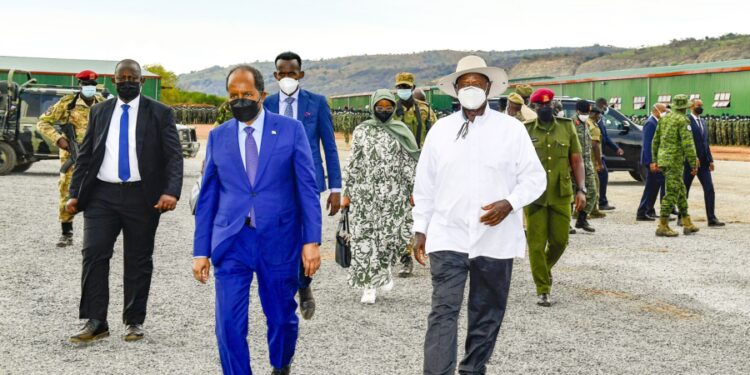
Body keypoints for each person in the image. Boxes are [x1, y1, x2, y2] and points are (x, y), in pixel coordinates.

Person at [413, 56, 546, 374]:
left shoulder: (511, 131)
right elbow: (424, 185)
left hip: (494, 239)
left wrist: (510, 203)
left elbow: (534, 178)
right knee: (443, 311)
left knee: (487, 312)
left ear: (489, 87)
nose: (471, 88)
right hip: (448, 235)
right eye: (465, 83)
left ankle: (473, 368)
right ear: (456, 90)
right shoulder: (440, 131)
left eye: (477, 82)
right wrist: (421, 228)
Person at [193, 65, 321, 375]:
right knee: (228, 323)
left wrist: (312, 241)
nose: (240, 101)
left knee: (280, 317)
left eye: (246, 95)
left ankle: (281, 365)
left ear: (261, 95)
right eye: (233, 96)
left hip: (278, 239)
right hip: (232, 240)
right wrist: (200, 251)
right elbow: (208, 195)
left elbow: (307, 188)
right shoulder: (219, 137)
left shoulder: (290, 131)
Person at [65, 59, 183, 343]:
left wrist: (171, 191)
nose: (127, 82)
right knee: (93, 254)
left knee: (138, 259)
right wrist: (74, 193)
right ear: (114, 82)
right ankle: (95, 321)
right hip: (101, 196)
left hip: (143, 197)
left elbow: (173, 156)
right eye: (122, 78)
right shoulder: (100, 111)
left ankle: (133, 321)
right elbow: (86, 156)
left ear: (141, 82)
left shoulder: (160, 113)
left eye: (133, 77)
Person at [262, 51, 342, 320]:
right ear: (275, 76)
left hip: (309, 183)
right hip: (274, 185)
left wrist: (336, 188)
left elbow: (329, 147)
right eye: (282, 73)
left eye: (292, 73)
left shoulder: (316, 103)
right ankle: (287, 289)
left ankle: (304, 287)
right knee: (281, 238)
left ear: (301, 75)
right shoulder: (267, 104)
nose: (287, 77)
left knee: (306, 236)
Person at [341, 89, 418, 304]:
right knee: (364, 239)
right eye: (379, 107)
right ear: (373, 107)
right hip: (365, 194)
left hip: (393, 194)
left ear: (393, 108)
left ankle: (383, 272)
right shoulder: (361, 131)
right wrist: (346, 193)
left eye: (388, 107)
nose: (383, 111)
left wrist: (413, 190)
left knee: (390, 238)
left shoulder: (400, 130)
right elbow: (353, 162)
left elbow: (408, 162)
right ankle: (368, 286)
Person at [525, 88, 586, 307]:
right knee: (536, 244)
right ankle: (543, 288)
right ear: (534, 108)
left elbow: (577, 161)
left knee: (560, 241)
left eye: (547, 105)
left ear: (553, 105)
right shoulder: (526, 131)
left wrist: (581, 189)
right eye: (540, 106)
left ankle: (545, 268)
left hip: (561, 193)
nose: (544, 108)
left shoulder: (567, 127)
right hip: (534, 196)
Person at [37, 70, 105, 248]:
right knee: (67, 191)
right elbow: (43, 122)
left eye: (92, 85)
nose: (89, 88)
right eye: (86, 85)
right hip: (72, 155)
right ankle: (66, 233)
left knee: (99, 193)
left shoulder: (103, 104)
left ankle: (97, 234)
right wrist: (59, 139)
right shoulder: (68, 103)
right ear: (80, 86)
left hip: (98, 155)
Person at [391, 72, 437, 277]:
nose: (403, 90)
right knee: (401, 213)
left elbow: (437, 135)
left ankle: (430, 249)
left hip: (422, 165)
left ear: (412, 87)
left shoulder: (425, 110)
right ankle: (405, 258)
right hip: (398, 166)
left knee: (426, 208)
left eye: (406, 86)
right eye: (400, 86)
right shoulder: (390, 110)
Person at [651, 94, 700, 237]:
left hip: (663, 159)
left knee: (680, 190)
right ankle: (663, 225)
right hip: (674, 161)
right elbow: (688, 144)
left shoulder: (664, 118)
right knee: (672, 192)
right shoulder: (683, 120)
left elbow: (655, 140)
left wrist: (655, 159)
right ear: (685, 107)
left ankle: (687, 223)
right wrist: (693, 163)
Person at [683, 99, 725, 227]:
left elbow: (705, 143)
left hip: (704, 163)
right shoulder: (686, 121)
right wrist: (691, 158)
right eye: (698, 106)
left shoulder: (702, 121)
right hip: (690, 162)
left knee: (709, 189)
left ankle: (711, 219)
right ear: (691, 107)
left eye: (701, 105)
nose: (700, 108)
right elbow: (685, 142)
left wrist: (710, 159)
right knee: (685, 189)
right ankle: (681, 216)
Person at [636, 104, 668, 221]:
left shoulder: (656, 122)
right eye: (664, 111)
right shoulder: (651, 123)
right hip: (651, 161)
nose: (665, 113)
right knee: (651, 187)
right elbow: (647, 145)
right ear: (656, 111)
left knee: (654, 186)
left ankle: (649, 210)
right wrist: (651, 161)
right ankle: (642, 212)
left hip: (656, 160)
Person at [595, 98, 625, 210]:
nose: (607, 109)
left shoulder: (600, 120)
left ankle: (601, 202)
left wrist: (616, 148)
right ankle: (601, 203)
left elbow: (605, 137)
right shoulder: (591, 121)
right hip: (594, 155)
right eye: (606, 106)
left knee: (602, 176)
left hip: (600, 153)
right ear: (602, 106)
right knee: (601, 176)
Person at [572, 100, 596, 232]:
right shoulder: (571, 124)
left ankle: (582, 219)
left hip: (587, 165)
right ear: (577, 111)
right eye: (583, 112)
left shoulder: (586, 123)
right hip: (573, 166)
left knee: (592, 192)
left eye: (588, 112)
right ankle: (567, 223)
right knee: (570, 194)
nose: (586, 114)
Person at [587, 107, 605, 219]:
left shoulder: (588, 123)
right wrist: (599, 163)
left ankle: (593, 209)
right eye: (599, 114)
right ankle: (587, 210)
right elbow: (595, 145)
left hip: (588, 159)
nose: (600, 116)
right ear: (594, 114)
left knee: (593, 184)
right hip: (591, 160)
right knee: (593, 184)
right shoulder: (592, 126)